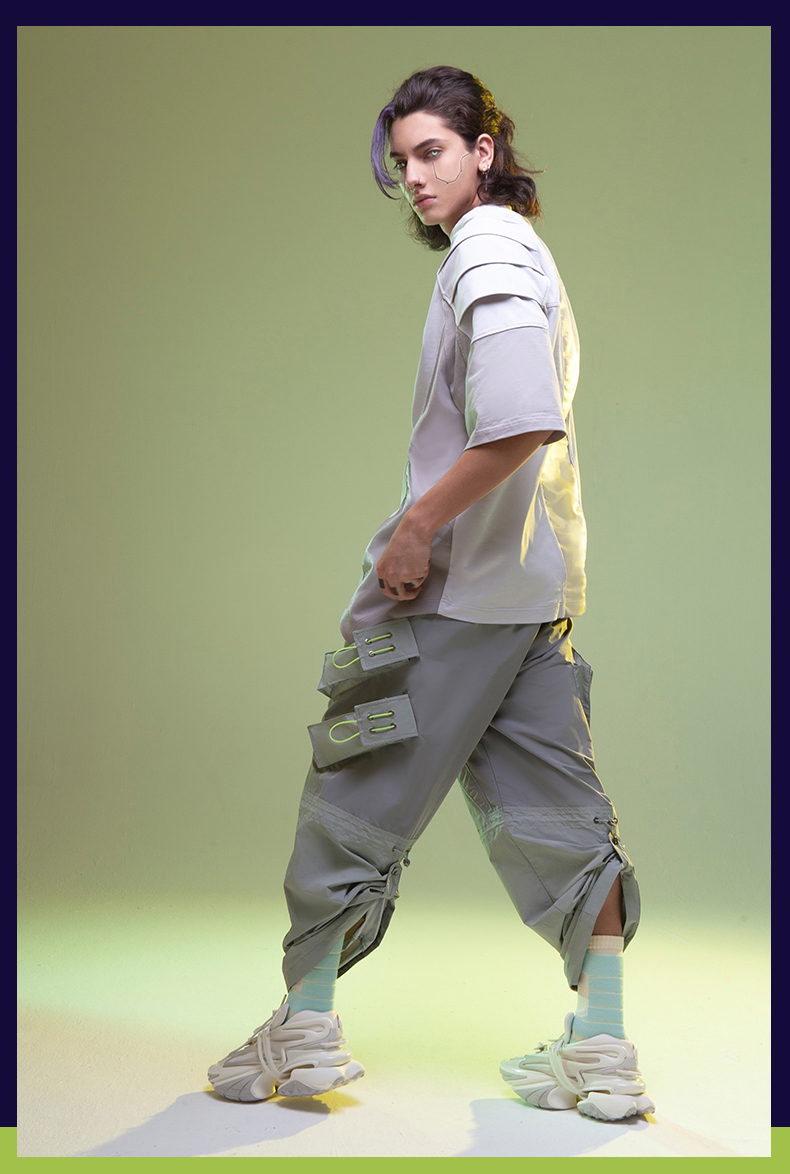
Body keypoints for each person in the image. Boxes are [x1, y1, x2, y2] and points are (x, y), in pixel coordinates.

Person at [208, 65, 654, 1123]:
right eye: (401, 159)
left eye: (432, 152)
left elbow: (520, 418)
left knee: (354, 798)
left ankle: (305, 1027)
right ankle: (603, 1048)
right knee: (564, 820)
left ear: (483, 152)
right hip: (531, 599)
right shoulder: (521, 250)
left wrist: (416, 529)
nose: (413, 176)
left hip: (457, 597)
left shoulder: (487, 249)